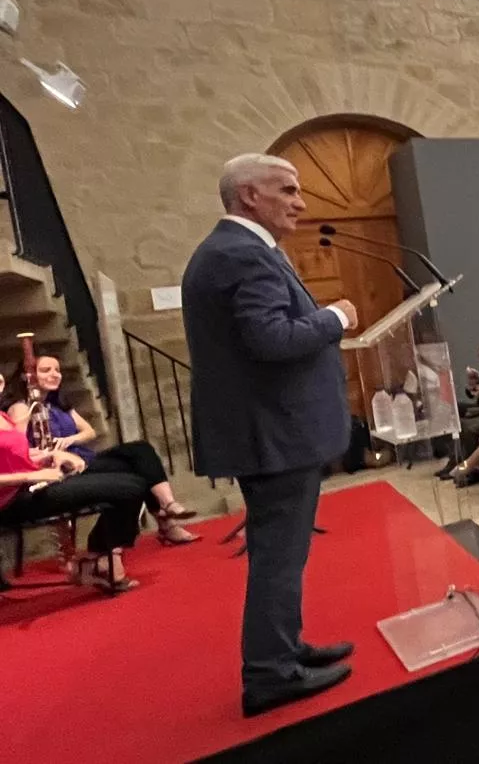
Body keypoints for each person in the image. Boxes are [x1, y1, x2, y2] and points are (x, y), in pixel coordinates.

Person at [182, 154, 359, 717]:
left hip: (268, 432)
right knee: (279, 558)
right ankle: (270, 674)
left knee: (278, 554)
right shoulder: (241, 254)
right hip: (275, 435)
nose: (301, 202)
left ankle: (282, 649)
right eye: (287, 190)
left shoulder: (233, 251)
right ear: (249, 195)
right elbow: (270, 339)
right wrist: (335, 318)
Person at [1, 355, 198, 544]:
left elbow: (89, 431)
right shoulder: (21, 407)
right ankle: (162, 522)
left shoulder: (57, 404)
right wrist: (49, 451)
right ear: (28, 376)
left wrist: (68, 440)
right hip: (58, 466)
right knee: (133, 470)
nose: (55, 374)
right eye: (46, 370)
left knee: (140, 450)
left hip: (78, 455)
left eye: (57, 370)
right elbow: (18, 449)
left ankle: (167, 506)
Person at [0, 383, 149, 593]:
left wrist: (51, 456)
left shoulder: (2, 416)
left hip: (30, 486)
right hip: (11, 502)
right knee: (128, 489)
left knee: (133, 483)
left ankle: (99, 558)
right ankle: (100, 560)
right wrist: (33, 474)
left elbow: (16, 456)